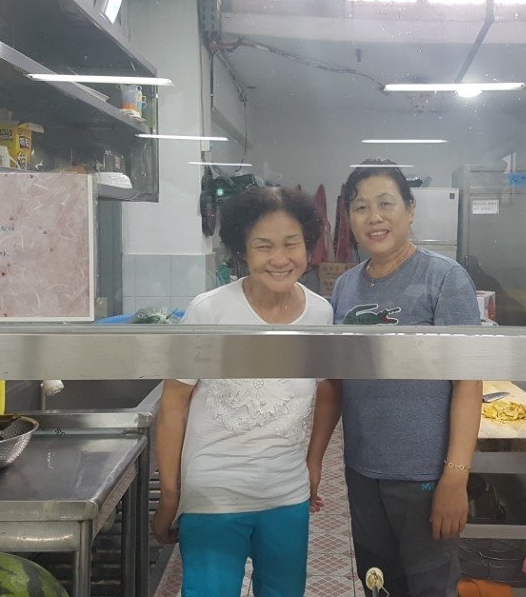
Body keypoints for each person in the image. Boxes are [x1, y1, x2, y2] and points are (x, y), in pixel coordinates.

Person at [307, 159, 482, 597]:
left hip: (424, 475)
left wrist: (455, 478)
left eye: (386, 204)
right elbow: (336, 383)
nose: (374, 217)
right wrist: (315, 459)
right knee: (378, 584)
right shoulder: (346, 286)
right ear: (349, 220)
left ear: (410, 210)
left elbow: (468, 382)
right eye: (361, 207)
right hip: (363, 470)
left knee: (429, 587)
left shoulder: (444, 278)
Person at [152, 186, 336, 597]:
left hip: (286, 493)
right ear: (242, 250)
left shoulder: (321, 313)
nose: (280, 258)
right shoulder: (210, 310)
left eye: (291, 244)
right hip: (213, 494)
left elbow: (328, 391)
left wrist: (314, 463)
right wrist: (170, 494)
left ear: (307, 245)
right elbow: (174, 403)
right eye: (264, 246)